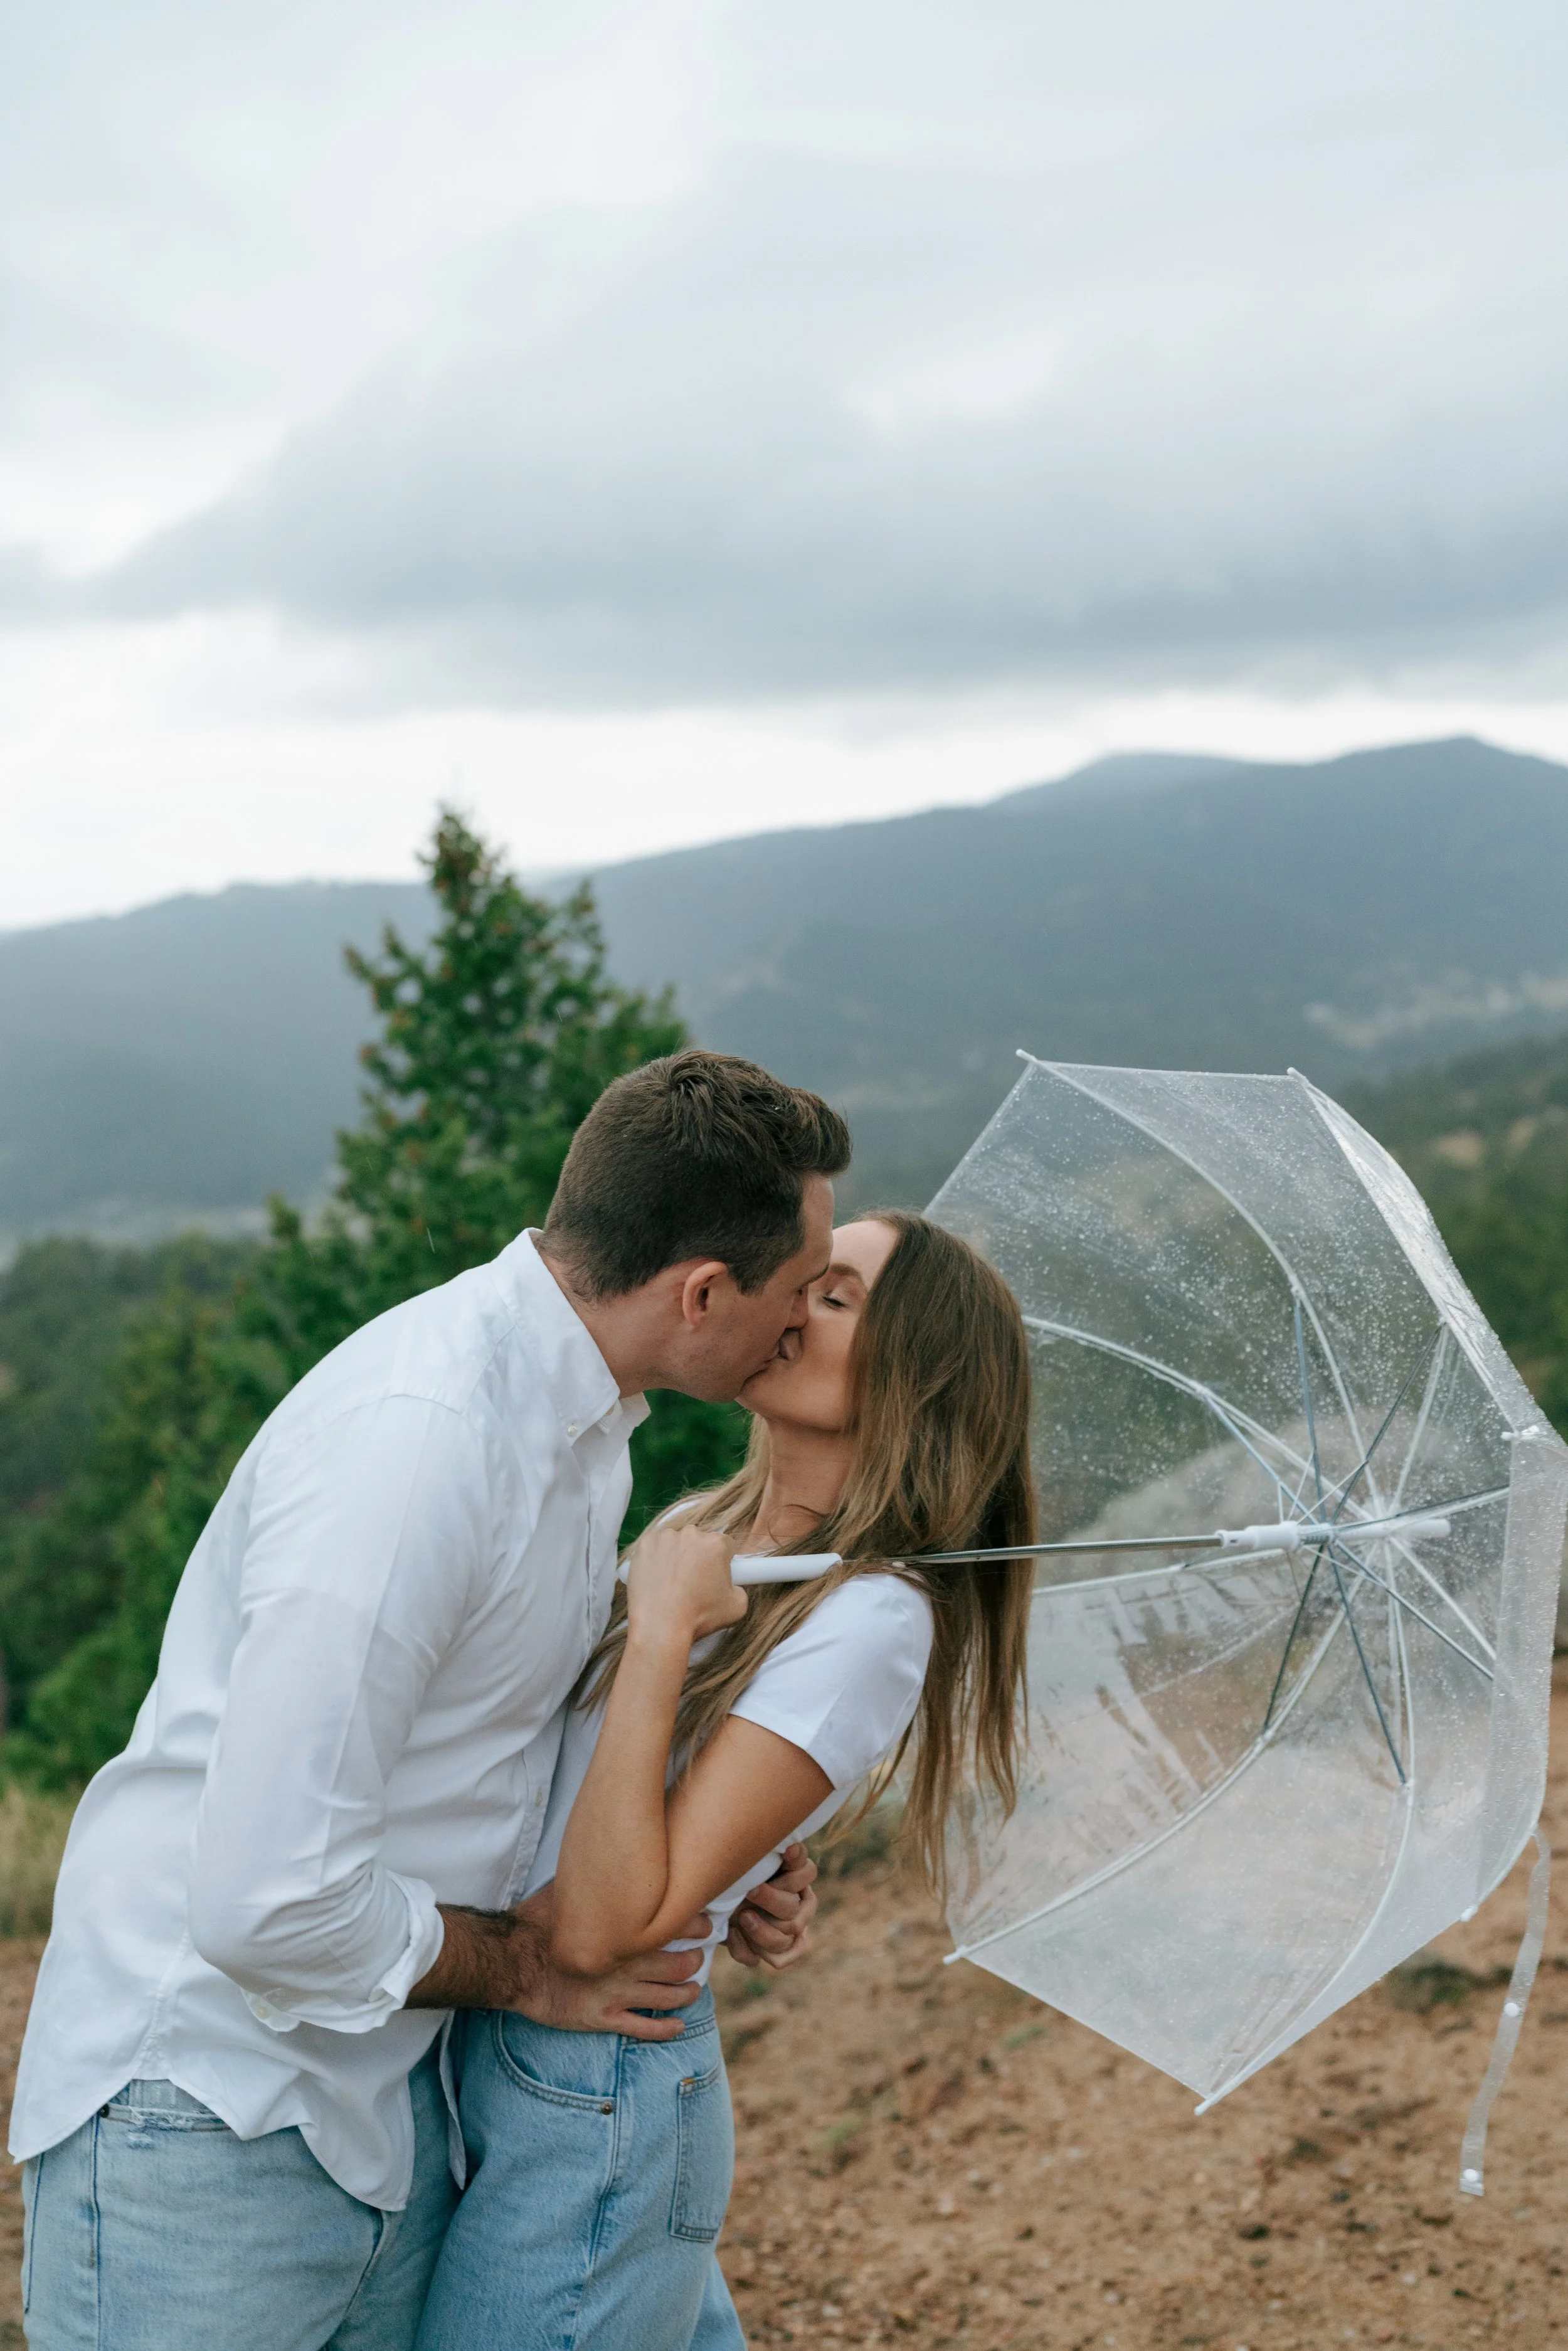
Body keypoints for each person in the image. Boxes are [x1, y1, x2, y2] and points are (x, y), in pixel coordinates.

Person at [13, 1050, 850, 2351]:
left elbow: (484, 1747)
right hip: (215, 2104)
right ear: (700, 1291)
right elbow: (265, 1899)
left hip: (384, 2087)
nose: (801, 1323)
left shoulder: (577, 1424)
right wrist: (529, 1965)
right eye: (798, 1290)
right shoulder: (421, 1443)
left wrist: (712, 1858)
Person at [415, 1208, 1036, 2351]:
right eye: (804, 1277)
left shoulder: (874, 1616)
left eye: (835, 1296)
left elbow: (608, 1927)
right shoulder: (708, 1528)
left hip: (598, 2081)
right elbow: (586, 1780)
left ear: (917, 1378)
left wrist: (658, 1641)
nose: (790, 1302)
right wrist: (739, 1855)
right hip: (493, 2046)